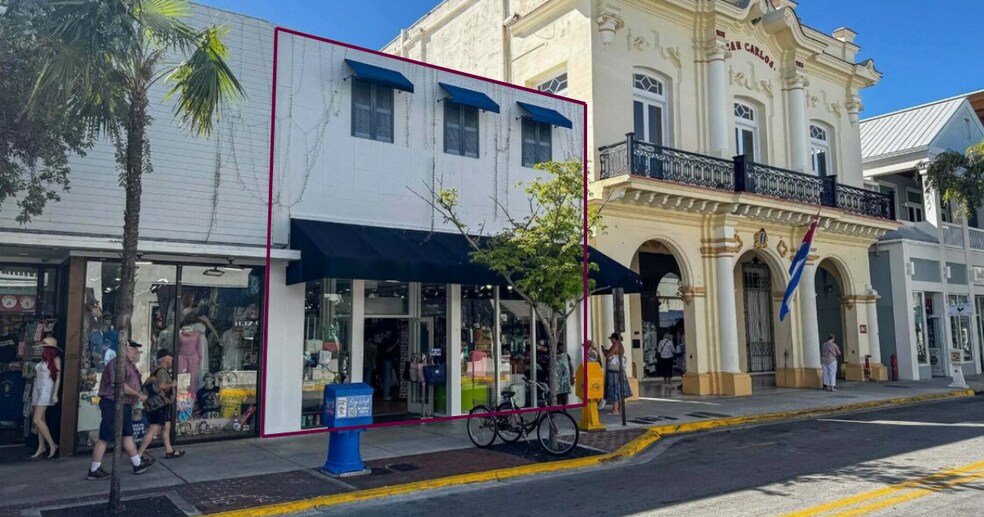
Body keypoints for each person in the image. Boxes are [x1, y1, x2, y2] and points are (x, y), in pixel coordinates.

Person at [86, 340, 157, 480]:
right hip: (113, 403)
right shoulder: (117, 363)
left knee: (127, 434)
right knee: (105, 436)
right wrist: (138, 395)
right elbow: (119, 385)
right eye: (133, 350)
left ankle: (137, 464)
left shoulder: (129, 365)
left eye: (137, 351)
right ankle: (94, 469)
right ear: (124, 350)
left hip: (124, 405)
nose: (136, 354)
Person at [137, 349, 184, 460]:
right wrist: (172, 384)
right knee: (154, 428)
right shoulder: (161, 371)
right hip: (159, 405)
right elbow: (160, 386)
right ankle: (138, 455)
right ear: (164, 359)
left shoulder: (157, 370)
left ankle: (169, 450)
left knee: (166, 426)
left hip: (161, 404)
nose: (172, 359)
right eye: (170, 356)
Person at [30, 337, 62, 459]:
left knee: (36, 419)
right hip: (37, 388)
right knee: (41, 419)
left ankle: (52, 444)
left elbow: (58, 377)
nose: (42, 349)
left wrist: (55, 394)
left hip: (46, 389)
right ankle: (41, 446)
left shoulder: (55, 359)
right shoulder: (43, 360)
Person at [603, 332, 632, 415]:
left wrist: (604, 352)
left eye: (612, 338)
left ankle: (615, 409)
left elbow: (609, 355)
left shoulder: (615, 344)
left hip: (614, 372)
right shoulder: (621, 345)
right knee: (620, 390)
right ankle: (620, 408)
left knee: (614, 390)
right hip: (620, 371)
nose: (611, 340)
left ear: (614, 339)